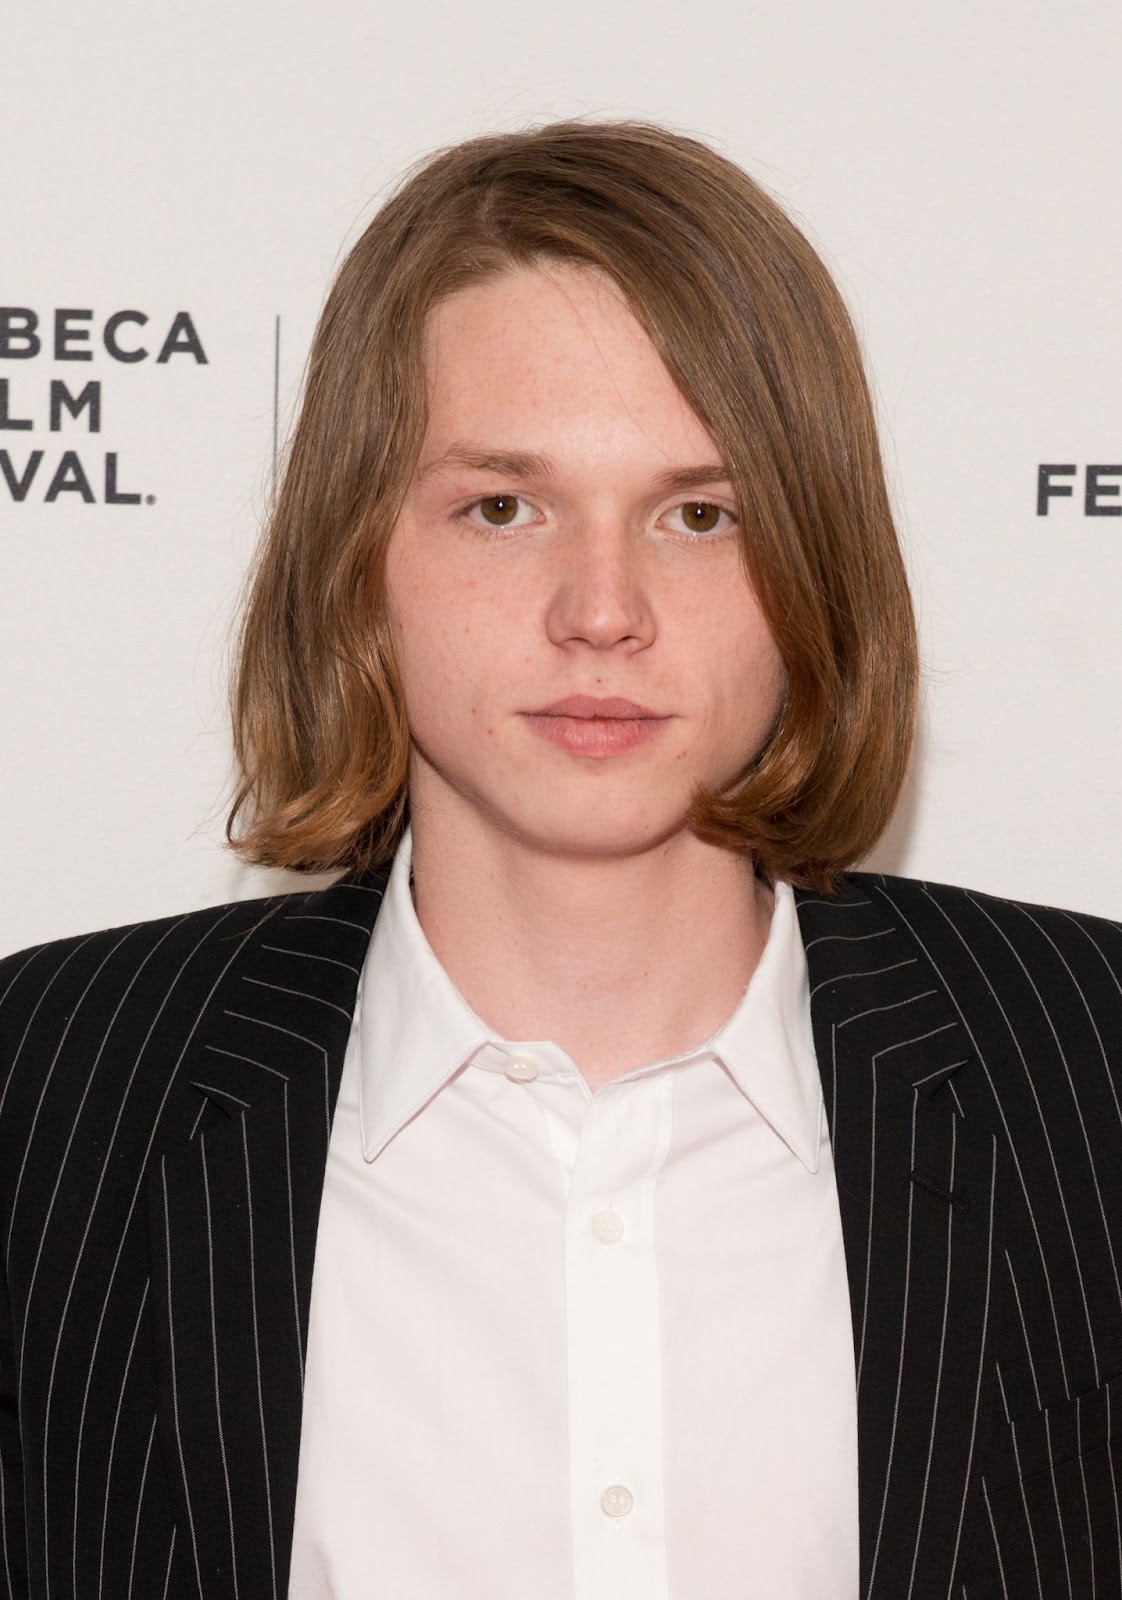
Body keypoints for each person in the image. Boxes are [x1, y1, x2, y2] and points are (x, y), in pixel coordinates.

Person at [1, 118, 1120, 1600]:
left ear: (814, 569)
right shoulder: (46, 1094)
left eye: (700, 514)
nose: (603, 609)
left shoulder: (1089, 1067)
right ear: (356, 560)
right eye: (501, 507)